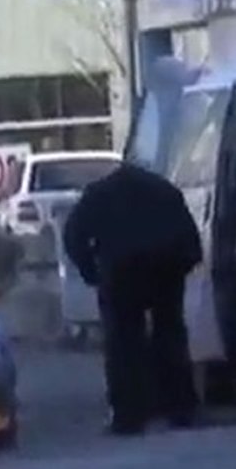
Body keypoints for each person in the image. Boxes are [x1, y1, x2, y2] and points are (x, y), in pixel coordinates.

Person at [63, 160, 202, 435]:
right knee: (170, 334)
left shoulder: (97, 195)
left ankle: (129, 415)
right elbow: (190, 238)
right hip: (165, 268)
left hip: (120, 272)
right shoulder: (164, 191)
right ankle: (179, 408)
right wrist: (183, 266)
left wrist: (91, 271)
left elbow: (73, 236)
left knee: (122, 343)